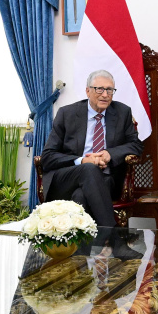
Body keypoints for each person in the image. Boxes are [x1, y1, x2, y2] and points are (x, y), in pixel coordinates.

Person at [40, 70, 144, 226]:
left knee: (80, 196)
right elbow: (48, 157)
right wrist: (82, 161)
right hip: (66, 178)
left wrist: (110, 154)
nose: (105, 94)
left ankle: (85, 248)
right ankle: (113, 236)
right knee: (88, 168)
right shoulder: (66, 114)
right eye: (99, 89)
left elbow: (136, 145)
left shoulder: (122, 112)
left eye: (109, 90)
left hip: (105, 179)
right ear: (88, 91)